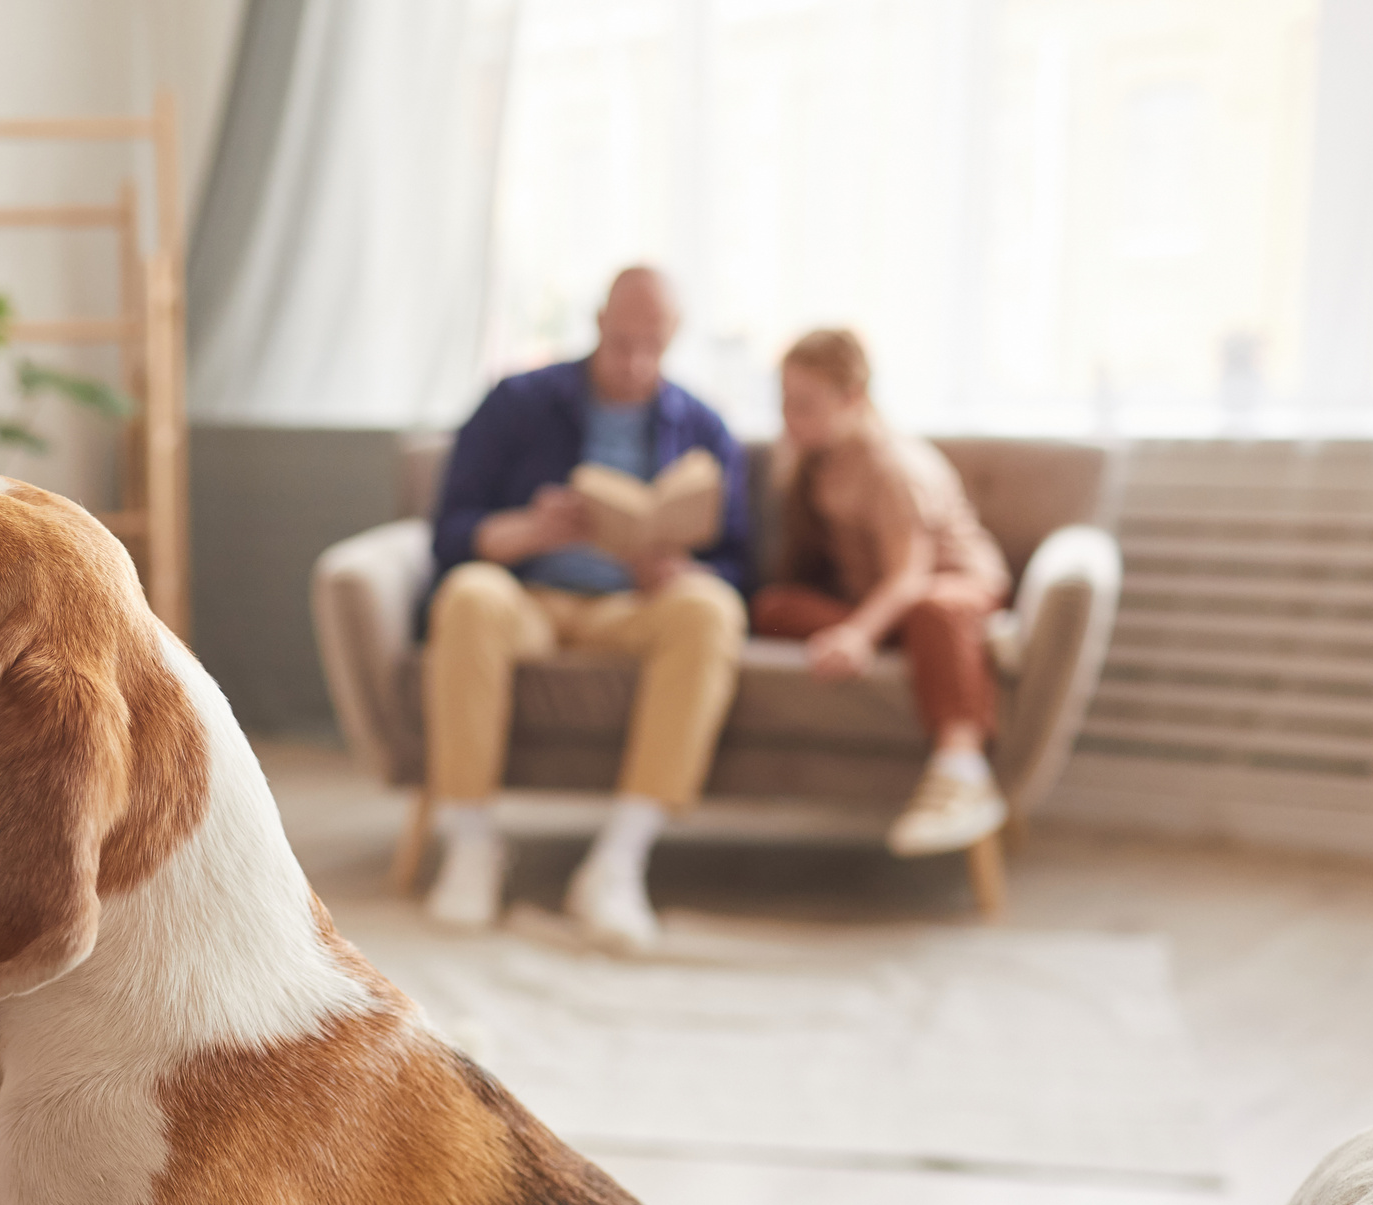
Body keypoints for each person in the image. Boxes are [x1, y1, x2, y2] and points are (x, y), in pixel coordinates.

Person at [420, 265, 750, 948]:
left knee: (711, 609)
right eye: (622, 340)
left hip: (633, 608)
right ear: (598, 322)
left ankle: (619, 860)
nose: (634, 361)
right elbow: (450, 533)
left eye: (651, 346)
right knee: (470, 596)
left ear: (674, 340)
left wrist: (682, 568)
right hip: (529, 597)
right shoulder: (517, 400)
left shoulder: (704, 427)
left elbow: (744, 566)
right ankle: (473, 842)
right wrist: (530, 529)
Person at [753, 328, 1012, 857]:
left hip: (942, 588)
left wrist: (855, 633)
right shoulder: (815, 461)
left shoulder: (893, 467)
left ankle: (960, 769)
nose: (790, 418)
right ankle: (925, 647)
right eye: (784, 403)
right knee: (772, 609)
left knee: (930, 610)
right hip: (878, 600)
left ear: (853, 399)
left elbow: (908, 577)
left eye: (804, 404)